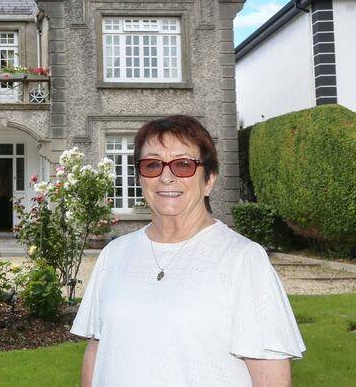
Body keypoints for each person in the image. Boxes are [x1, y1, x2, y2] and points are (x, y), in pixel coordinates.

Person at [71, 115, 305, 386]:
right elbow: (97, 349)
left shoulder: (243, 259)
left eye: (183, 164)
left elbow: (270, 377)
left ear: (209, 180)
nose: (166, 177)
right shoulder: (114, 254)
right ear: (140, 178)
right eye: (153, 164)